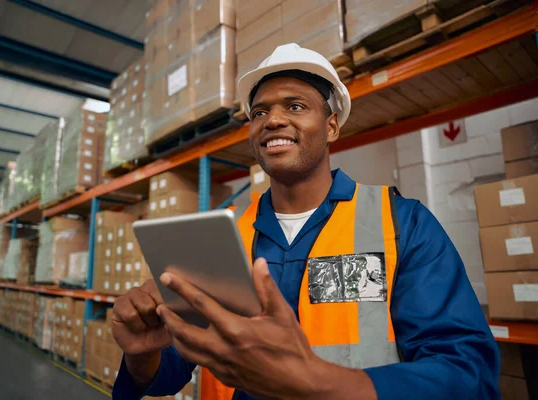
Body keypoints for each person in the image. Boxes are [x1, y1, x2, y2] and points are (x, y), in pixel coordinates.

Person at [111, 44, 500, 400]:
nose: (272, 120)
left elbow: (467, 371)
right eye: (259, 112)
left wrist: (316, 384)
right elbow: (177, 366)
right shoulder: (223, 235)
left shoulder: (400, 222)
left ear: (331, 126)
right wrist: (143, 355)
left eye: (294, 106)